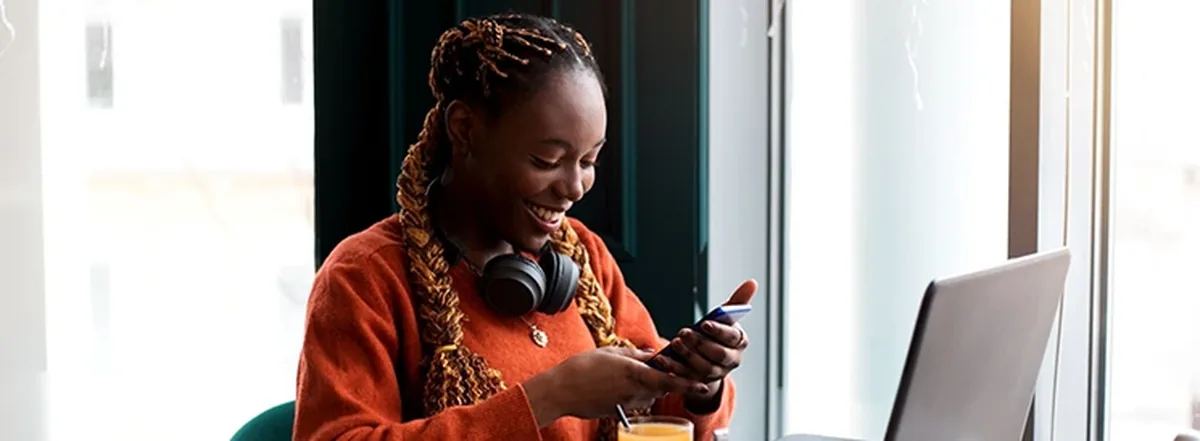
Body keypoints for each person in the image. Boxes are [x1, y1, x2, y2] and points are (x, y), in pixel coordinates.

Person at [293, 13, 754, 441]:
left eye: (589, 161)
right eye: (546, 160)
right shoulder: (363, 278)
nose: (574, 188)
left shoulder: (582, 255)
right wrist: (548, 398)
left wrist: (699, 383)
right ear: (465, 130)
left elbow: (657, 402)